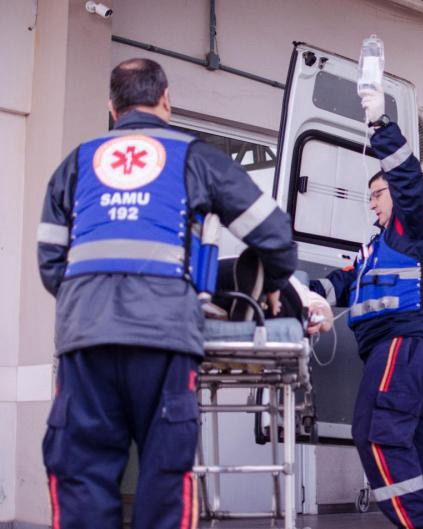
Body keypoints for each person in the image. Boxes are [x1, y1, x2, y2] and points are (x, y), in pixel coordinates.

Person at [37, 58, 297, 529]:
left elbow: (51, 262)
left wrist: (93, 304)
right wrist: (273, 285)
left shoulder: (75, 163)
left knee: (80, 478)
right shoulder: (195, 157)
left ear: (111, 107)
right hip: (164, 340)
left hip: (85, 340)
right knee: (164, 477)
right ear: (166, 99)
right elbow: (274, 233)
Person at [309, 86, 423, 529]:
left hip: (409, 341)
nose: (371, 203)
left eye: (377, 194)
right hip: (417, 347)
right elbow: (343, 280)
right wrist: (306, 295)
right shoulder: (376, 247)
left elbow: (409, 181)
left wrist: (380, 126)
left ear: (395, 193)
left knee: (377, 433)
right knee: (421, 440)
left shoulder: (418, 223)